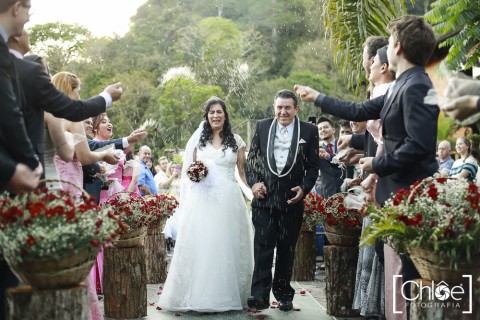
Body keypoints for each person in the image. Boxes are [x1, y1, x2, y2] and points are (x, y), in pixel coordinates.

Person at [295, 15, 438, 320]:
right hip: (392, 196)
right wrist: (317, 97)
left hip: (408, 195)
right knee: (396, 272)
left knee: (411, 277)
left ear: (397, 47)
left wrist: (377, 163)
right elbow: (359, 110)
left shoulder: (418, 86)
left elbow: (420, 145)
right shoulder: (402, 84)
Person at [158, 97, 253, 312]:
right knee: (204, 244)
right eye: (211, 112)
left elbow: (243, 172)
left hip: (229, 200)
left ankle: (231, 294)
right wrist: (195, 176)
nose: (216, 115)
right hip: (203, 200)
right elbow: (190, 172)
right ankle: (201, 295)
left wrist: (253, 191)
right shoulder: (198, 142)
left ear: (225, 115)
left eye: (219, 111)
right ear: (207, 116)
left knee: (227, 244)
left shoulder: (236, 141)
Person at [246, 89, 321, 312]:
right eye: (279, 107)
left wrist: (305, 188)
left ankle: (284, 295)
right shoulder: (262, 127)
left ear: (296, 108)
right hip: (264, 200)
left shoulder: (309, 131)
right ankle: (259, 296)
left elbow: (313, 166)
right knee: (262, 249)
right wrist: (254, 184)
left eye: (288, 107)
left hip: (291, 201)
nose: (283, 111)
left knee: (287, 250)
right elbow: (252, 162)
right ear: (274, 108)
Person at [7, 29, 123, 171]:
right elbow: (68, 154)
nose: (49, 77)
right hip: (46, 178)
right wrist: (107, 96)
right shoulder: (51, 113)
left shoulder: (15, 103)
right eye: (46, 72)